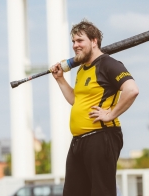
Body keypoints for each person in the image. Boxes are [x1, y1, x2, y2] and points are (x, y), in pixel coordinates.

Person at [50, 20, 139, 196]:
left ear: (94, 41)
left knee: (101, 192)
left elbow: (132, 90)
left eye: (80, 40)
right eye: (73, 42)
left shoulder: (108, 64)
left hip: (101, 137)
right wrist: (60, 79)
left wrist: (111, 114)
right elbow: (76, 100)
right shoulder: (82, 69)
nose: (75, 45)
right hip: (79, 141)